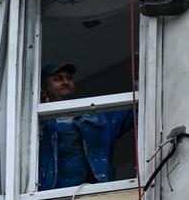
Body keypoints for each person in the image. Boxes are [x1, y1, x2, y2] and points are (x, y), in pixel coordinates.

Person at [38, 63, 134, 191]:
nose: (65, 82)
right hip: (51, 194)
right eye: (58, 79)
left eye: (69, 78)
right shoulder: (38, 123)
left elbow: (135, 111)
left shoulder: (97, 119)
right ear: (44, 88)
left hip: (93, 191)